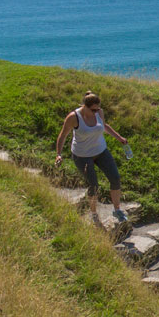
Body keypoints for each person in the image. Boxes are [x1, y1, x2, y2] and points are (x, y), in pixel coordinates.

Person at [55, 92, 131, 222]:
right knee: (94, 185)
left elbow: (104, 126)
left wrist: (119, 138)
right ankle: (94, 213)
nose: (96, 112)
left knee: (115, 178)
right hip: (82, 155)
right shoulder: (74, 117)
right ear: (84, 106)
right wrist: (58, 154)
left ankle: (117, 210)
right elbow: (63, 135)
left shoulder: (99, 112)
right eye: (93, 110)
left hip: (101, 151)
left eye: (98, 109)